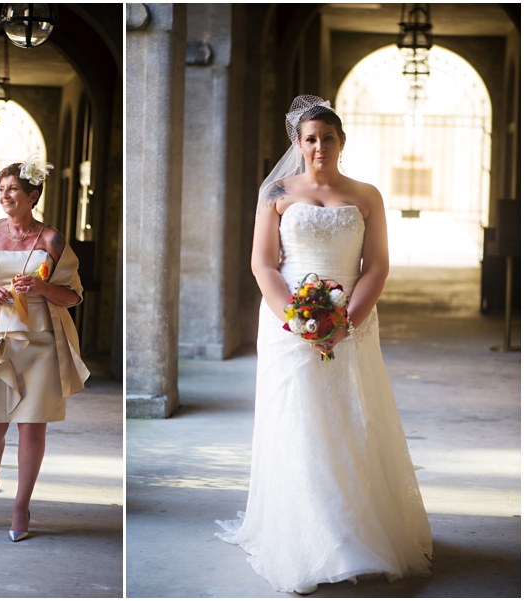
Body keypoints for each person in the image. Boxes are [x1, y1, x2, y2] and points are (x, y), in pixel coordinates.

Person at [215, 96, 432, 593]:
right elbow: (263, 264)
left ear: (341, 142)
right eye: (310, 139)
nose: (319, 147)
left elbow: (376, 266)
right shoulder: (275, 192)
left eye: (327, 138)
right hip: (287, 321)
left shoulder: (367, 195)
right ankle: (303, 536)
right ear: (297, 143)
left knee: (351, 416)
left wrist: (345, 322)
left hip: (351, 318)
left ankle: (356, 532)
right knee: (299, 419)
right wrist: (297, 321)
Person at [0, 156, 89, 542]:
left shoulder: (52, 240)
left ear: (32, 195)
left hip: (42, 344)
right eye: (2, 189)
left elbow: (74, 296)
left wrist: (43, 288)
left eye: (12, 189)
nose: (5, 195)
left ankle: (21, 504)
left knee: (32, 427)